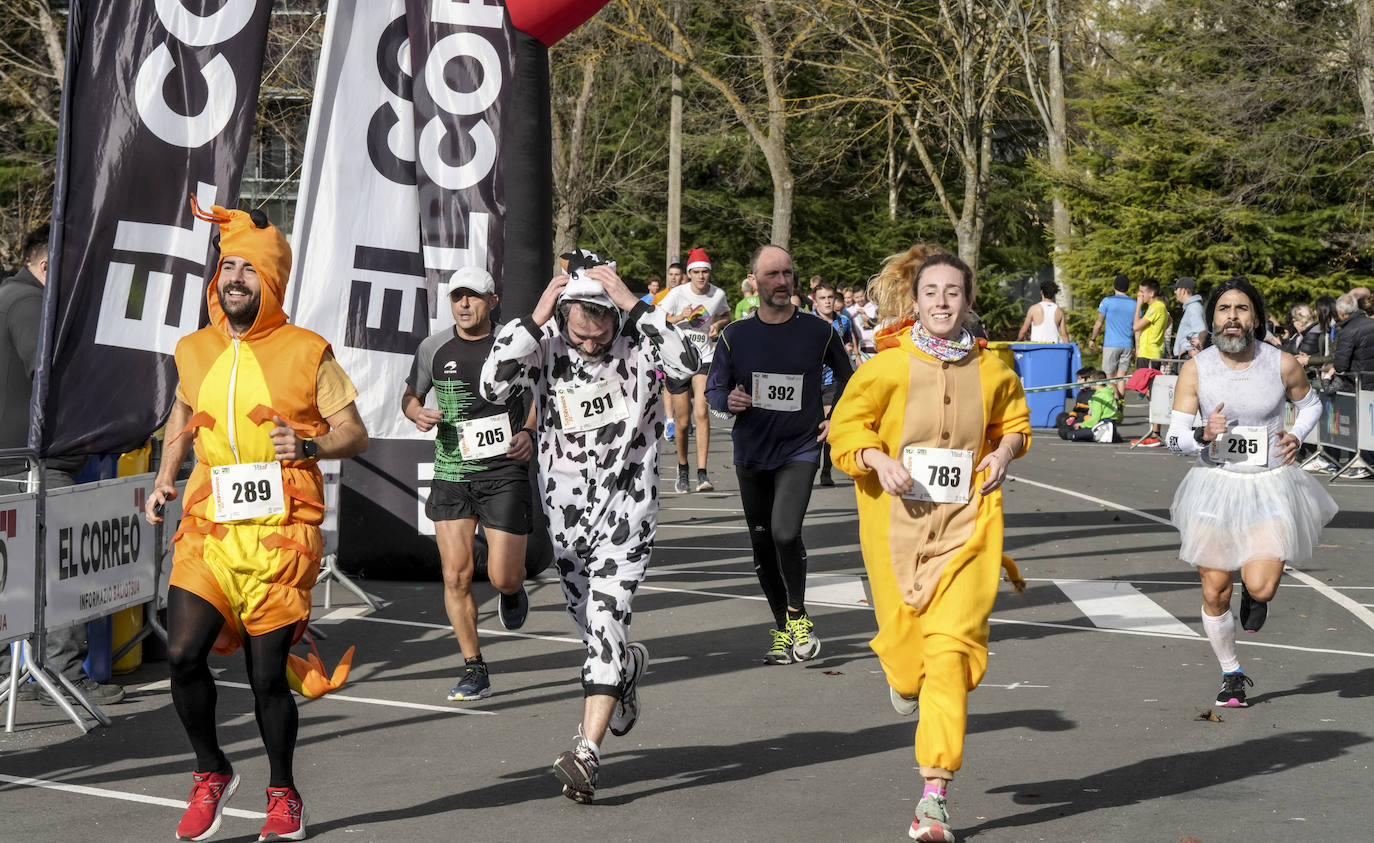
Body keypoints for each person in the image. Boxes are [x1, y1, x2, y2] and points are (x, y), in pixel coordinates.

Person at [145, 203, 369, 842]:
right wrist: (167, 474)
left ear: (271, 284)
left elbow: (354, 433)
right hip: (210, 528)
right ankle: (211, 772)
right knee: (183, 653)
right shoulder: (194, 348)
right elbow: (181, 415)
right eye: (229, 267)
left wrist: (311, 447)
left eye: (251, 270)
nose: (236, 278)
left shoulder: (307, 351)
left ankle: (283, 791)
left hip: (280, 533)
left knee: (266, 676)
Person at [480, 250, 698, 804]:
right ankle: (625, 666)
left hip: (629, 512)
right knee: (593, 628)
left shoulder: (640, 341)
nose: (592, 334)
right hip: (567, 520)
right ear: (565, 311)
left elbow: (687, 362)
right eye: (582, 320)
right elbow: (492, 386)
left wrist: (634, 303)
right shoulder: (545, 348)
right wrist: (532, 319)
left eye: (603, 321)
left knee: (604, 619)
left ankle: (586, 753)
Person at [828, 252, 1030, 843]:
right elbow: (846, 430)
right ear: (914, 302)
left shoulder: (994, 368)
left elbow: (1014, 425)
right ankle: (902, 675)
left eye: (953, 293)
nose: (942, 302)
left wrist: (1000, 455)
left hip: (969, 529)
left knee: (950, 656)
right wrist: (875, 458)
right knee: (910, 663)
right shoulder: (884, 369)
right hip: (896, 533)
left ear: (968, 301)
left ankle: (933, 796)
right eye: (932, 292)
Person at [1165, 277, 1337, 708]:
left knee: (1260, 588)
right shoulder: (1196, 368)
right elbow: (1174, 439)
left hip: (1269, 484)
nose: (1233, 317)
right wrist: (1204, 433)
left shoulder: (1281, 363)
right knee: (1213, 589)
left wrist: (1297, 435)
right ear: (1213, 319)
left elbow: (1311, 404)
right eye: (1224, 309)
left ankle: (1254, 592)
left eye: (1242, 309)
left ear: (1255, 318)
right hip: (1215, 485)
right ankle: (1231, 673)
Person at [707, 246, 853, 665]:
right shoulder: (736, 335)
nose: (781, 280)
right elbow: (715, 390)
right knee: (762, 545)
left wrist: (836, 418)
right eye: (772, 274)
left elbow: (850, 380)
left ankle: (798, 613)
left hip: (800, 447)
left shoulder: (818, 331)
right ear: (754, 281)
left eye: (788, 272)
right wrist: (728, 399)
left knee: (785, 533)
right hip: (751, 452)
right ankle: (783, 629)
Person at [0, 224, 124, 707]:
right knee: (58, 569)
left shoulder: (13, 295)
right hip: (32, 464)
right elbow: (48, 373)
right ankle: (62, 673)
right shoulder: (28, 303)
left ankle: (26, 671)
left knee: (18, 573)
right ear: (48, 265)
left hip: (20, 462)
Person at [401, 266, 534, 702]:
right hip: (451, 471)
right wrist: (416, 413)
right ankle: (474, 667)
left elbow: (539, 394)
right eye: (457, 296)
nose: (463, 304)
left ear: (492, 302)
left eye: (473, 297)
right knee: (455, 575)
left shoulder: (512, 345)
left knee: (503, 574)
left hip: (502, 471)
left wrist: (529, 432)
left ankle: (511, 592)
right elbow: (411, 396)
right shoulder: (433, 346)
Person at [659, 247, 731, 493]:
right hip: (679, 360)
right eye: (697, 272)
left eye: (705, 272)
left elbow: (725, 315)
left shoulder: (717, 294)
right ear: (689, 274)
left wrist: (718, 325)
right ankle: (682, 467)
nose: (701, 276)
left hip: (706, 357)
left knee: (701, 412)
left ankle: (702, 473)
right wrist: (680, 316)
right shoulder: (677, 294)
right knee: (682, 420)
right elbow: (659, 319)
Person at [813, 282, 857, 486]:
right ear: (815, 300)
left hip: (833, 380)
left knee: (828, 423)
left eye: (830, 297)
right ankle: (807, 466)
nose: (828, 301)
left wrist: (849, 351)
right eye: (823, 298)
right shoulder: (808, 322)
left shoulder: (844, 322)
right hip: (811, 380)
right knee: (812, 425)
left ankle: (826, 471)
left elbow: (848, 344)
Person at [1129, 278, 1170, 446]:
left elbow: (1136, 326)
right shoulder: (1156, 309)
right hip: (1147, 352)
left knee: (1152, 393)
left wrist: (1138, 305)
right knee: (1149, 393)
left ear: (1151, 293)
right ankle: (1154, 432)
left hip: (1150, 354)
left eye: (1142, 292)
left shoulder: (1156, 307)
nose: (1140, 295)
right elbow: (1170, 320)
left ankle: (1155, 433)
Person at [1088, 274, 1136, 399]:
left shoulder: (1107, 301)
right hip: (1127, 344)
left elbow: (1098, 324)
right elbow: (1137, 328)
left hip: (1111, 344)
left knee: (1109, 376)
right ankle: (1121, 404)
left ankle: (1115, 401)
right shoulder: (1135, 304)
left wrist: (1093, 339)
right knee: (1122, 377)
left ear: (1114, 286)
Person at [1171, 277, 1205, 360]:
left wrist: (1186, 348)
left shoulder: (1193, 308)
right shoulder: (1191, 307)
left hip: (1186, 357)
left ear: (1183, 291)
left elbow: (1200, 332)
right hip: (1184, 356)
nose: (1175, 292)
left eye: (1176, 289)